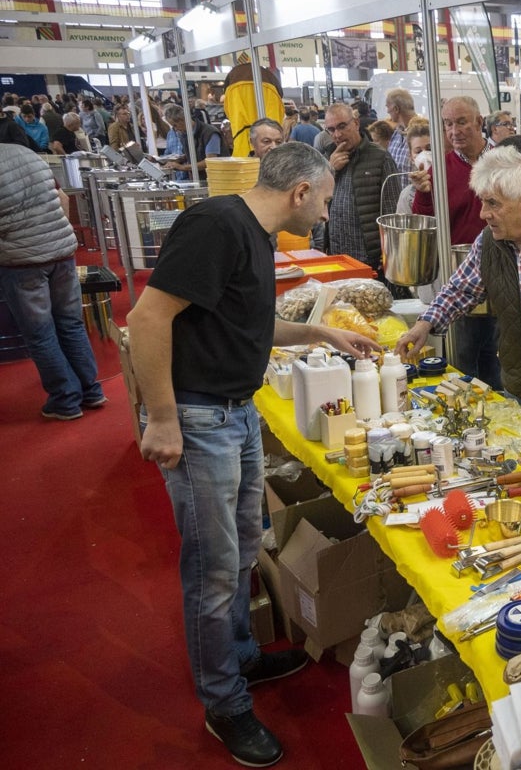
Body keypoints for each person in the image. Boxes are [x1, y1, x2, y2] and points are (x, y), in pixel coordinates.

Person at [127, 142, 380, 768]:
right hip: (198, 416)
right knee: (213, 569)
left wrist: (320, 331)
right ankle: (225, 703)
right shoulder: (216, 226)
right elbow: (148, 318)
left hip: (234, 411)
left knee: (241, 549)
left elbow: (248, 323)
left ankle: (239, 655)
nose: (323, 215)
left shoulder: (255, 234)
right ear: (299, 192)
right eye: (322, 201)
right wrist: (162, 417)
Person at [397, 146, 521, 440]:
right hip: (517, 391)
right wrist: (424, 324)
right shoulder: (488, 243)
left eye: (493, 203)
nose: (483, 214)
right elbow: (460, 289)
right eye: (483, 202)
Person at [0, 144, 104, 420]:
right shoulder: (25, 153)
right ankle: (91, 390)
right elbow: (62, 199)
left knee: (40, 332)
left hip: (22, 261)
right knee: (71, 323)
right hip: (61, 253)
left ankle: (65, 399)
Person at [413, 96, 501, 388]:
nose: (453, 131)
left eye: (461, 122)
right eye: (448, 124)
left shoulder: (504, 161)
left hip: (505, 274)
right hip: (462, 276)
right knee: (464, 359)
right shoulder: (440, 168)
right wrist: (424, 195)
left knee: (499, 360)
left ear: (479, 122)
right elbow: (428, 224)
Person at [319, 102, 401, 275]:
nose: (338, 135)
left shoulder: (380, 157)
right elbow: (317, 202)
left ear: (356, 123)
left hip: (369, 259)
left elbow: (392, 212)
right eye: (331, 130)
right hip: (337, 256)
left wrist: (388, 254)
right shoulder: (327, 158)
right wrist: (330, 170)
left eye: (342, 126)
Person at [161, 103, 222, 181]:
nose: (175, 129)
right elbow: (190, 154)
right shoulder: (184, 134)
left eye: (175, 125)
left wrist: (182, 167)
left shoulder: (209, 133)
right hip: (199, 180)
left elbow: (210, 161)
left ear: (182, 120)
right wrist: (176, 161)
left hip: (216, 180)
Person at [384, 88, 418, 189]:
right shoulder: (396, 133)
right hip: (399, 200)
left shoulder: (421, 132)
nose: (387, 111)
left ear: (396, 109)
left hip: (415, 200)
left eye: (387, 107)